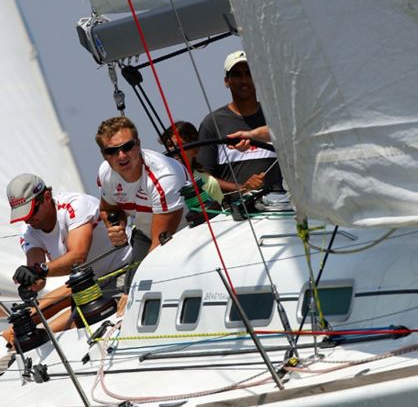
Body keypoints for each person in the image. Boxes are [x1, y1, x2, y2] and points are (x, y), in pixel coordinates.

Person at [4, 173, 132, 339]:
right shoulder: (28, 231)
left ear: (47, 197)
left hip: (124, 271)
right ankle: (5, 338)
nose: (29, 220)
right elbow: (39, 278)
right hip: (89, 284)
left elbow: (78, 257)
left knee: (71, 326)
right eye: (23, 216)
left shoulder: (75, 205)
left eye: (31, 211)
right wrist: (29, 283)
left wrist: (38, 270)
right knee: (31, 330)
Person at [95, 116, 188, 254]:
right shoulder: (105, 174)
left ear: (138, 144)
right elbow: (108, 209)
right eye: (112, 151)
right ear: (103, 155)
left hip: (187, 231)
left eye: (127, 147)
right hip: (145, 233)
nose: (121, 156)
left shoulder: (163, 177)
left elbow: (159, 245)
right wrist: (116, 227)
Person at [198, 50, 282, 194]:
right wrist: (242, 188)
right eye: (237, 74)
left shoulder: (278, 116)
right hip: (233, 212)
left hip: (280, 208)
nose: (244, 80)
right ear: (226, 81)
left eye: (249, 73)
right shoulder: (212, 122)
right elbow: (202, 178)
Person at [158, 121, 223, 205]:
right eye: (170, 145)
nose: (173, 150)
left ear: (195, 150)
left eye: (181, 145)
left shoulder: (210, 183)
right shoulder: (158, 182)